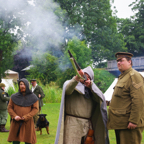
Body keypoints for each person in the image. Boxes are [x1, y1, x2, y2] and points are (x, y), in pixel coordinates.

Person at [55, 66, 109, 144]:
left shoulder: (92, 89)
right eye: (83, 75)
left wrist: (91, 86)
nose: (84, 78)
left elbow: (101, 99)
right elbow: (67, 91)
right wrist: (77, 78)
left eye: (87, 77)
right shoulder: (71, 83)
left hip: (87, 124)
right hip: (72, 122)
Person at [107, 52, 144, 144]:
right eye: (117, 61)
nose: (118, 62)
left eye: (121, 60)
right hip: (121, 123)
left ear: (129, 62)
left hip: (129, 124)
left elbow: (139, 100)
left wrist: (133, 120)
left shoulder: (134, 76)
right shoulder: (123, 76)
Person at [7, 78, 39, 144]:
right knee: (15, 141)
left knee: (28, 140)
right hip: (16, 122)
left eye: (24, 84)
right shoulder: (14, 96)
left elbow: (35, 109)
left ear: (27, 85)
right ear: (19, 86)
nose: (22, 86)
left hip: (28, 122)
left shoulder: (33, 97)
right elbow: (9, 108)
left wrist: (26, 117)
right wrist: (15, 116)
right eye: (21, 84)